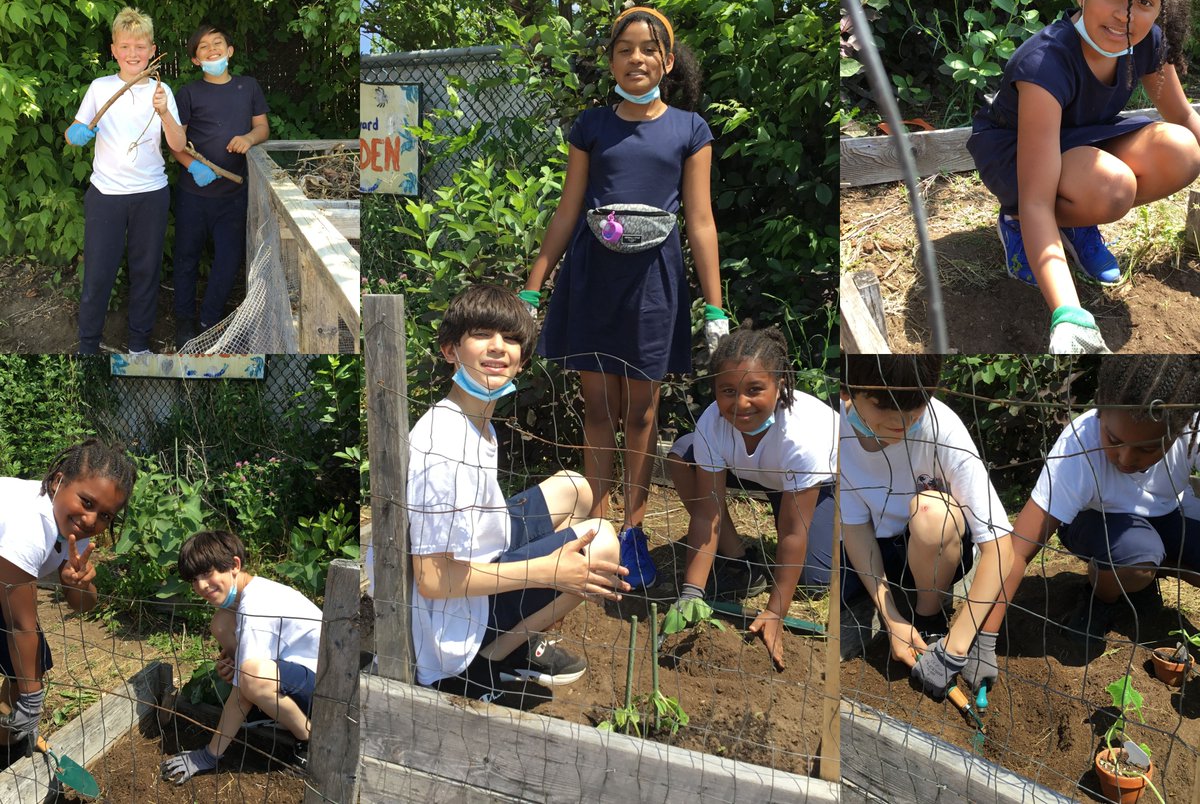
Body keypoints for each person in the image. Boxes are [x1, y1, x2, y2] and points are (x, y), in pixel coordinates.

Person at [522, 5, 726, 589]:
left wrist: (714, 307)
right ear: (611, 59)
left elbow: (701, 220)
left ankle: (632, 532)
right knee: (598, 411)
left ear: (666, 60)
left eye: (647, 49)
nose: (635, 58)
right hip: (592, 281)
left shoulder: (690, 129)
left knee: (641, 413)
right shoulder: (591, 125)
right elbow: (568, 209)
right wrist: (532, 286)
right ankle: (594, 527)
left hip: (653, 287)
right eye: (623, 49)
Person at [966, 0, 1200, 354]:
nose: (1125, 15)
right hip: (1016, 150)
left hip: (1081, 139)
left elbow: (1184, 117)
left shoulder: (1148, 42)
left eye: (1145, 2)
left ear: (1160, 8)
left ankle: (1072, 221)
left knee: (1183, 150)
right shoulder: (1044, 65)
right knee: (1111, 188)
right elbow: (1038, 195)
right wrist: (1069, 314)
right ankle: (1017, 224)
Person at [406, 284, 629, 702]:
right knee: (601, 541)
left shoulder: (473, 422)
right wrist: (545, 571)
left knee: (575, 489)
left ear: (522, 361)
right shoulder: (443, 446)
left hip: (477, 560)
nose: (497, 348)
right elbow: (432, 579)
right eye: (481, 335)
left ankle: (514, 633)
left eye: (510, 339)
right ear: (450, 350)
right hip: (454, 621)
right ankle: (486, 661)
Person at [967, 356, 1200, 694]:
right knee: (1137, 553)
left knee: (1152, 553)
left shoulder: (1190, 427)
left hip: (1166, 516)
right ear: (1101, 412)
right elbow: (1017, 551)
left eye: (1147, 449)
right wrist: (983, 638)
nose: (1124, 459)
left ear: (1178, 432)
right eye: (1114, 439)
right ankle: (1100, 599)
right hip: (1094, 523)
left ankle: (1141, 581)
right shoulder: (1079, 442)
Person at [838, 355, 1015, 701]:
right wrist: (892, 621)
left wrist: (958, 645)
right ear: (849, 392)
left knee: (932, 512)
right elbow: (855, 530)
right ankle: (905, 616)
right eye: (883, 407)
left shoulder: (941, 427)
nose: (901, 422)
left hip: (935, 545)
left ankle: (930, 618)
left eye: (915, 406)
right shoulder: (838, 436)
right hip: (878, 549)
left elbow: (1000, 546)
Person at [666, 326, 838, 670]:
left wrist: (776, 612)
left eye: (755, 389)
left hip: (815, 483)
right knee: (683, 455)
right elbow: (706, 514)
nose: (741, 403)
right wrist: (692, 592)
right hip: (754, 469)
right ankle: (740, 560)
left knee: (816, 582)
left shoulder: (800, 436)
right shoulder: (713, 422)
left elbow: (793, 533)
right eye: (727, 391)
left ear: (780, 385)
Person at [65, 6, 187, 354]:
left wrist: (163, 112)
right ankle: (88, 346)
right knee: (99, 274)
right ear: (114, 50)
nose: (133, 54)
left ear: (152, 51)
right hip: (106, 194)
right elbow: (73, 131)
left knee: (146, 272)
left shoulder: (163, 92)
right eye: (125, 46)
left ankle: (138, 345)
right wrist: (76, 134)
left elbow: (178, 145)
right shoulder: (100, 88)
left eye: (140, 46)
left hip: (151, 194)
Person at [0, 440, 135, 745]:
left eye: (106, 516)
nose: (92, 520)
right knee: (26, 680)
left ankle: (9, 738)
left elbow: (84, 605)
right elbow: (19, 625)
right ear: (59, 480)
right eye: (87, 503)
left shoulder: (75, 530)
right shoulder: (31, 526)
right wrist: (32, 700)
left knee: (28, 672)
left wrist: (81, 584)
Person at [161, 530, 321, 784]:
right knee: (222, 623)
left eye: (207, 573)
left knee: (253, 679)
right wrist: (237, 670)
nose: (201, 586)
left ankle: (309, 739)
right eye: (194, 579)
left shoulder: (255, 607)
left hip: (326, 689)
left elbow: (247, 685)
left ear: (234, 565)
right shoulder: (251, 592)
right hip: (299, 672)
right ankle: (270, 707)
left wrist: (209, 755)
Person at [169, 24, 270, 348]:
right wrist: (192, 165)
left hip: (233, 196)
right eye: (203, 48)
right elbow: (175, 141)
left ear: (230, 51)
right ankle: (184, 322)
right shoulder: (188, 93)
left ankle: (209, 320)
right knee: (186, 257)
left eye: (218, 43)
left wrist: (248, 138)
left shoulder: (248, 87)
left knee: (228, 259)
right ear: (196, 60)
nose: (211, 50)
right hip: (193, 195)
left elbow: (262, 128)